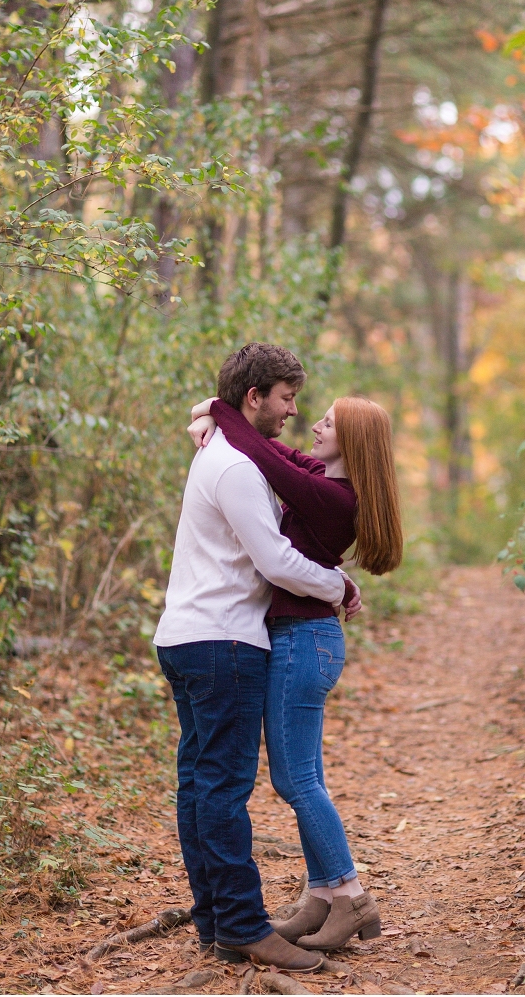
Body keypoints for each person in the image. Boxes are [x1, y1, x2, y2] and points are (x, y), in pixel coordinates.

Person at [154, 344, 362, 974]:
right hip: (224, 642)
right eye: (287, 399)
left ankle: (216, 924)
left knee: (198, 785)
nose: (293, 412)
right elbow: (273, 562)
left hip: (187, 636)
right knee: (221, 788)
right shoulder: (238, 467)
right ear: (255, 398)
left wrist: (207, 412)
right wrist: (340, 586)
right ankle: (245, 926)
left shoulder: (225, 453)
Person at [187, 389, 403, 951]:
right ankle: (323, 895)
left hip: (304, 641)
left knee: (295, 780)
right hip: (301, 637)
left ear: (351, 442)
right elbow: (274, 453)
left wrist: (221, 407)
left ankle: (352, 896)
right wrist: (214, 413)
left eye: (327, 424)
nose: (312, 427)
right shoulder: (325, 482)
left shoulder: (332, 498)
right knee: (306, 777)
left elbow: (261, 458)